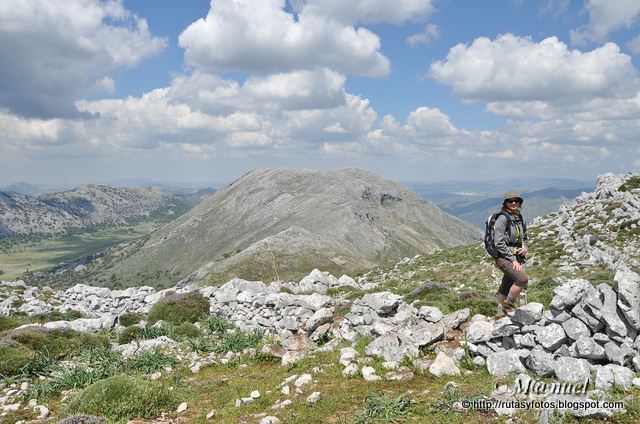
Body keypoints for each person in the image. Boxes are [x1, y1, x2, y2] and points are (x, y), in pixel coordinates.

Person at [494, 191, 528, 319]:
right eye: (510, 201)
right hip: (504, 258)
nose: (514, 203)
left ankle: (498, 312)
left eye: (516, 200)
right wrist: (513, 259)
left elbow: (524, 237)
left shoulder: (519, 217)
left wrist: (524, 247)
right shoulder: (502, 218)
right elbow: (498, 242)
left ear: (520, 202)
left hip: (516, 257)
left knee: (505, 286)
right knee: (522, 279)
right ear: (505, 203)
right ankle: (507, 305)